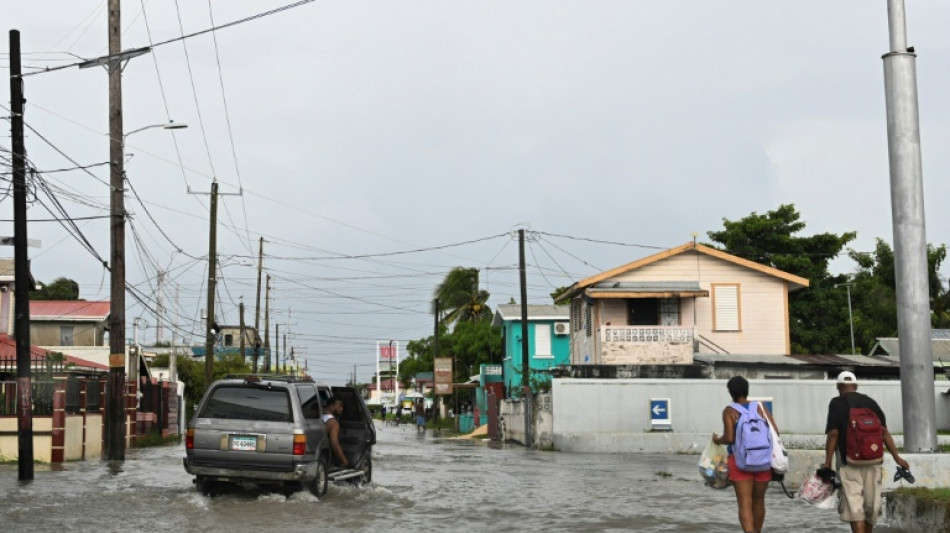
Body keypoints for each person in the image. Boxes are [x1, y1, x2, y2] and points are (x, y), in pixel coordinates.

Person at [823, 371, 909, 533]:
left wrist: (827, 463)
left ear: (838, 387)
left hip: (848, 463)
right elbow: (884, 432)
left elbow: (833, 433)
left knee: (854, 507)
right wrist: (898, 458)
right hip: (873, 461)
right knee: (871, 506)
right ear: (856, 386)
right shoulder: (870, 402)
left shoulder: (836, 403)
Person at [712, 376, 778, 533]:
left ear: (731, 392)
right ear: (747, 390)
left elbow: (729, 438)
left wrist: (717, 440)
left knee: (744, 502)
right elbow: (775, 432)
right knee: (759, 501)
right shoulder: (760, 407)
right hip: (763, 461)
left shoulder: (729, 411)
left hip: (741, 462)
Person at [323, 397, 349, 469]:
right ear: (332, 406)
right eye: (339, 406)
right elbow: (334, 443)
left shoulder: (316, 415)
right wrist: (344, 460)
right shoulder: (333, 422)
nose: (341, 409)